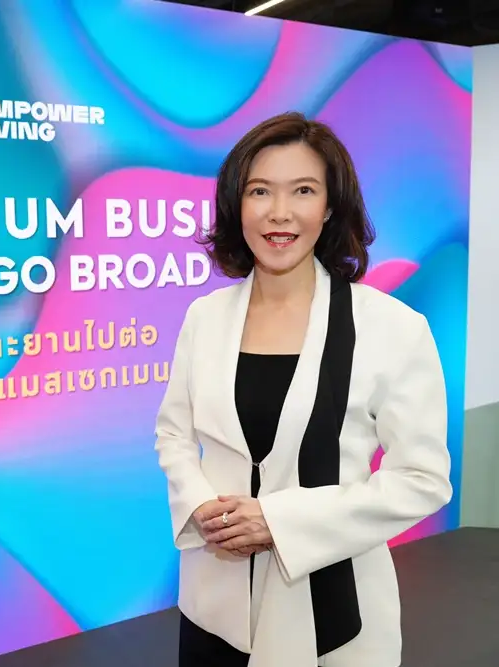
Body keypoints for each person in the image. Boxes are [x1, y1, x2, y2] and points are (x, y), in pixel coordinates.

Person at [153, 111, 453, 667]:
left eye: (304, 191)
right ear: (237, 204)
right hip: (213, 605)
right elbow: (173, 434)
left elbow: (422, 480)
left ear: (330, 207)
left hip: (334, 614)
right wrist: (199, 508)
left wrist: (279, 521)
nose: (279, 212)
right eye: (260, 191)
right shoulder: (205, 317)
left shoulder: (391, 327)